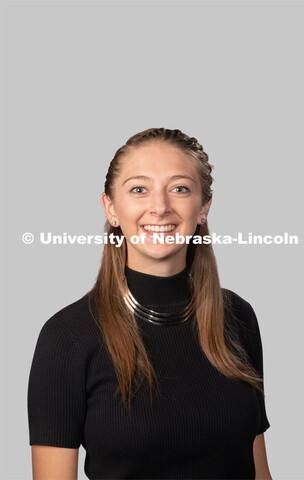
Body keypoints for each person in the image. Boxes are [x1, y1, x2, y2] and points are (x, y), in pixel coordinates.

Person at [27, 127, 272, 480]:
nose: (159, 207)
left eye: (179, 188)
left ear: (203, 207)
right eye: (139, 189)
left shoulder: (238, 318)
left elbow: (259, 471)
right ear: (110, 208)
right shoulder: (68, 336)